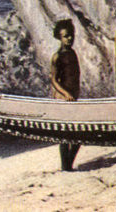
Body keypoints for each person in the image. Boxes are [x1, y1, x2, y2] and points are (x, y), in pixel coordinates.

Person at [50, 19, 81, 171]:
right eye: (66, 36)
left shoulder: (73, 53)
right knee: (65, 135)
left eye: (71, 35)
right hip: (63, 98)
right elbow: (54, 80)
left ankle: (68, 165)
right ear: (59, 38)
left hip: (73, 96)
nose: (70, 38)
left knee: (77, 136)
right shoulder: (58, 56)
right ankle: (66, 166)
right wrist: (66, 93)